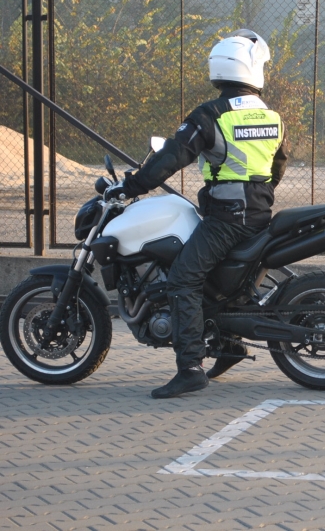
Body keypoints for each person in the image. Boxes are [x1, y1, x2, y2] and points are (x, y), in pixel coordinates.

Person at [103, 29, 287, 399]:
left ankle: (189, 367)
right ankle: (229, 347)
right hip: (258, 213)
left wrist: (131, 186)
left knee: (183, 280)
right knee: (219, 284)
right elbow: (278, 165)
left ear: (220, 68)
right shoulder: (272, 117)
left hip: (226, 219)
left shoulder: (211, 115)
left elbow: (171, 158)